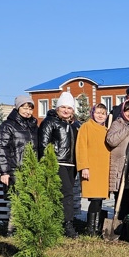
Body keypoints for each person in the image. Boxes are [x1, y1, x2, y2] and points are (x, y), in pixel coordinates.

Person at [38, 91, 81, 237]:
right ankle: (67, 226)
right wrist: (46, 162)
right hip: (57, 162)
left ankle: (61, 223)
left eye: (69, 108)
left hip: (71, 164)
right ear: (57, 108)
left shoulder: (75, 125)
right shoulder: (50, 122)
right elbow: (43, 144)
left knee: (66, 194)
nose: (66, 110)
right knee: (67, 193)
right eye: (63, 107)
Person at [105, 100, 129, 234]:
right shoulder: (117, 123)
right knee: (120, 199)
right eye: (127, 110)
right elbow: (111, 141)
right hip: (119, 167)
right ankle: (118, 228)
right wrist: (127, 129)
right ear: (123, 112)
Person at [75, 104, 111, 236]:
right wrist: (84, 166)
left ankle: (97, 228)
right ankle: (91, 229)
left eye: (103, 113)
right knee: (95, 199)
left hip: (103, 169)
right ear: (92, 113)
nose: (100, 115)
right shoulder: (86, 127)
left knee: (99, 199)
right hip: (91, 169)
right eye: (98, 112)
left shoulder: (106, 130)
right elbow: (81, 147)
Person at [0, 95, 38, 196]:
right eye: (25, 108)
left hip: (32, 171)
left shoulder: (34, 126)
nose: (28, 111)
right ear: (18, 107)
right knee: (18, 203)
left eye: (30, 109)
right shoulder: (7, 126)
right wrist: (4, 172)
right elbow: (2, 149)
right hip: (15, 171)